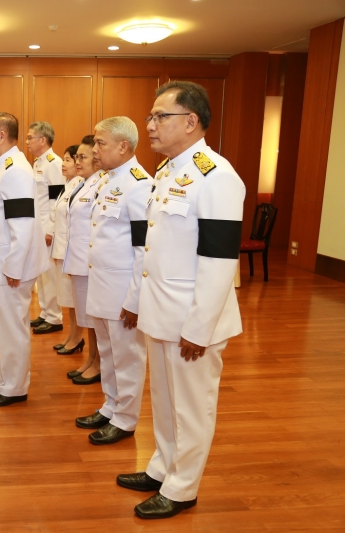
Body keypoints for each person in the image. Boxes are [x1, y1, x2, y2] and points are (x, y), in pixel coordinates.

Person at [116, 81, 245, 519]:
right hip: (160, 311)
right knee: (165, 403)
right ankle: (161, 467)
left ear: (191, 122)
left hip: (192, 321)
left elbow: (219, 260)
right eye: (151, 117)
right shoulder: (169, 172)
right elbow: (151, 249)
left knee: (191, 408)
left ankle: (183, 487)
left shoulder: (217, 176)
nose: (149, 126)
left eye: (159, 117)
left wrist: (199, 328)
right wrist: (136, 300)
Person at [74, 117, 152, 445]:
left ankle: (126, 418)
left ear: (123, 146)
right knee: (107, 352)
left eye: (100, 143)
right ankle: (110, 405)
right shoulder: (107, 179)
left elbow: (143, 249)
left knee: (127, 356)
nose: (95, 149)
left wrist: (134, 300)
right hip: (102, 283)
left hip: (122, 289)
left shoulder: (139, 184)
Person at [0, 112, 49, 407]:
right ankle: (7, 378)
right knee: (8, 326)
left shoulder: (16, 170)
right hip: (6, 263)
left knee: (14, 326)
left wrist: (13, 267)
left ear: (1, 135)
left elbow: (23, 224)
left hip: (11, 265)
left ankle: (14, 388)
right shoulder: (4, 168)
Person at [61, 136, 102, 383]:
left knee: (95, 321)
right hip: (77, 261)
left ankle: (97, 363)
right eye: (77, 157)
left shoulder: (99, 184)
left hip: (89, 263)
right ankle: (90, 359)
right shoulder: (80, 184)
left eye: (83, 157)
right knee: (88, 319)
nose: (78, 161)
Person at [26, 122, 65, 335]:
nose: (27, 142)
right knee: (41, 273)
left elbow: (56, 200)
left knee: (49, 274)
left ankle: (55, 317)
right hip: (38, 227)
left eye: (30, 137)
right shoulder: (38, 163)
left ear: (43, 140)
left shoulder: (53, 163)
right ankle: (45, 312)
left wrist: (50, 229)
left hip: (47, 229)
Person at [49, 144, 85, 355]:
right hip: (62, 251)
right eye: (64, 159)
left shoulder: (80, 185)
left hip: (71, 252)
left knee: (75, 301)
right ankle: (72, 335)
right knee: (69, 301)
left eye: (68, 160)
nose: (64, 164)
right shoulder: (68, 185)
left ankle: (77, 337)